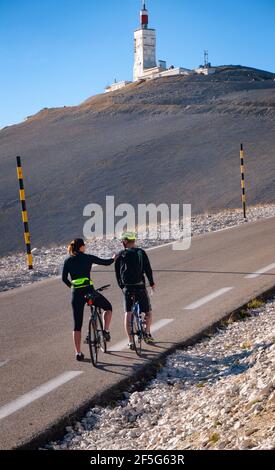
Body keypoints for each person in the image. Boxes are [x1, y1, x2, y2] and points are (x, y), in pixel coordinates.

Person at [62, 238, 115, 361]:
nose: (85, 247)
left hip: (76, 294)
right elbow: (106, 262)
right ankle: (105, 331)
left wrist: (73, 288)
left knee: (77, 325)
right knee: (108, 307)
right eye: (84, 245)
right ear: (81, 247)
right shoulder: (88, 257)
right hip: (89, 292)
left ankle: (78, 353)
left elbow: (64, 278)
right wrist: (113, 258)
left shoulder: (68, 260)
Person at [115, 232, 156, 350]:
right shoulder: (140, 252)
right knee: (148, 312)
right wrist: (152, 283)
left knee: (128, 313)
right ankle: (147, 333)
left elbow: (117, 273)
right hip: (140, 286)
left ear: (125, 242)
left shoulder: (120, 255)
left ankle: (130, 341)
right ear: (133, 241)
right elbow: (148, 269)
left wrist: (122, 287)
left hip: (127, 287)